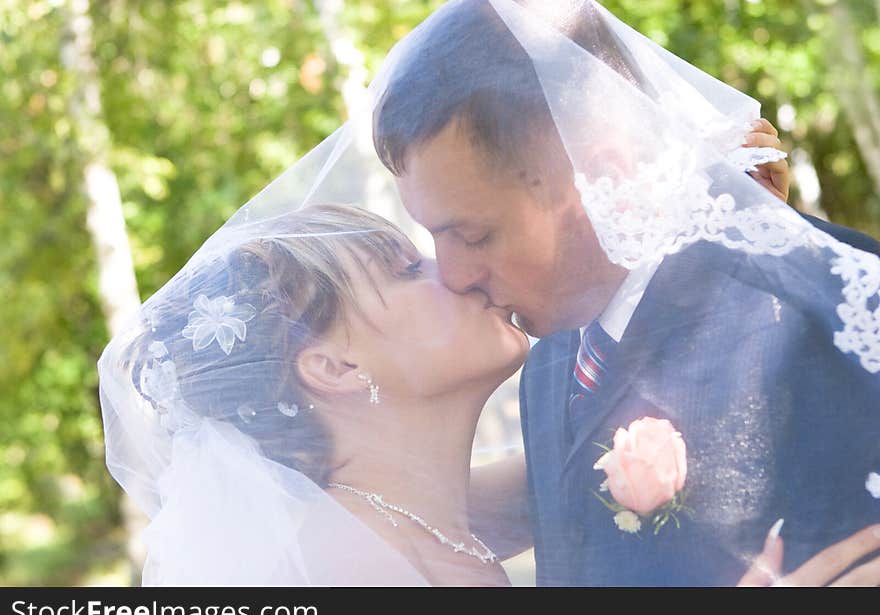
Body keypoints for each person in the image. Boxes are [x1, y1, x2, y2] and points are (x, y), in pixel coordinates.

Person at [372, 0, 880, 585]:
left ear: (603, 175)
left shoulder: (820, 307)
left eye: (473, 234)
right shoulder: (551, 364)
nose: (454, 274)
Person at [99, 204, 534, 585]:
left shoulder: (427, 520)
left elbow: (560, 483)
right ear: (335, 367)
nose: (457, 270)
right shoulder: (348, 569)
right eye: (409, 271)